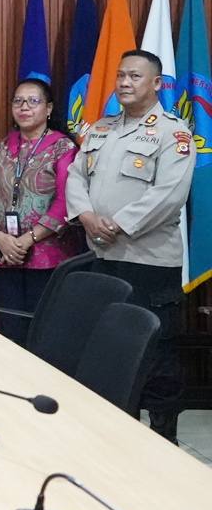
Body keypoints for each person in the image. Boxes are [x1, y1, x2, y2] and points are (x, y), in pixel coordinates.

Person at [66, 49, 193, 442]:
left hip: (148, 262)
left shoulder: (174, 134)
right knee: (112, 350)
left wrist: (118, 225)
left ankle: (163, 437)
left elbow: (169, 194)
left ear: (156, 83)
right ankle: (118, 434)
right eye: (121, 75)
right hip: (104, 257)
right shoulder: (100, 129)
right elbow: (75, 176)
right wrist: (86, 216)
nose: (124, 82)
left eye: (134, 76)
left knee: (156, 353)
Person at [0, 78, 81, 340]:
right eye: (18, 101)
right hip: (3, 255)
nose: (24, 107)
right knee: (9, 331)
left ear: (48, 108)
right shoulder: (1, 148)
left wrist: (26, 240)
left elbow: (65, 203)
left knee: (44, 334)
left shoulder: (63, 148)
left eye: (33, 101)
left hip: (48, 258)